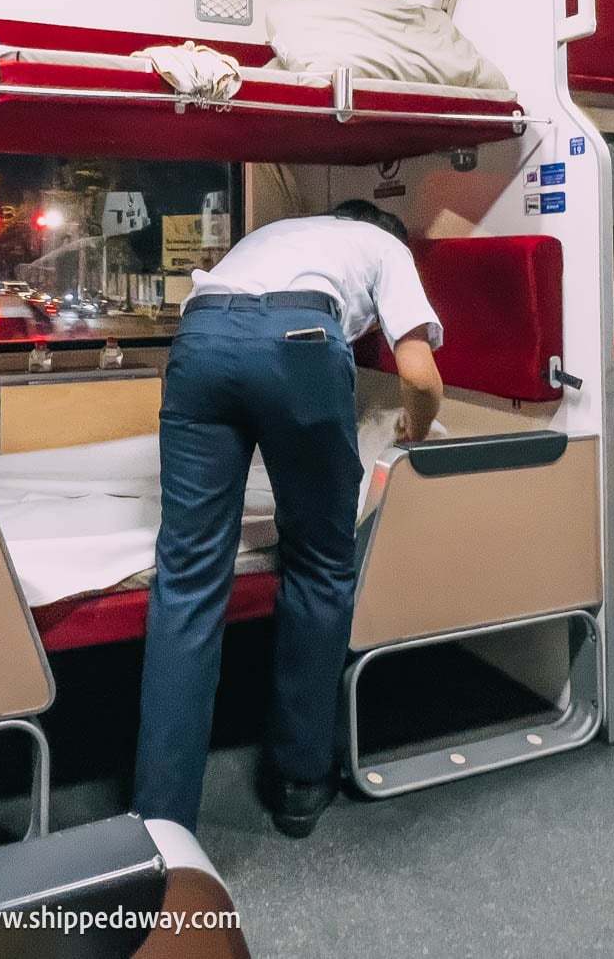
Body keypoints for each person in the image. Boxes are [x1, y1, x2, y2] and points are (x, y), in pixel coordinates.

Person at [132, 200, 443, 838]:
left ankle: (161, 822)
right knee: (321, 565)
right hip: (300, 345)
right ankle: (299, 781)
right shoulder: (383, 245)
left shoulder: (274, 234)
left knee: (186, 579)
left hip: (200, 341)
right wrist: (414, 430)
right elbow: (419, 374)